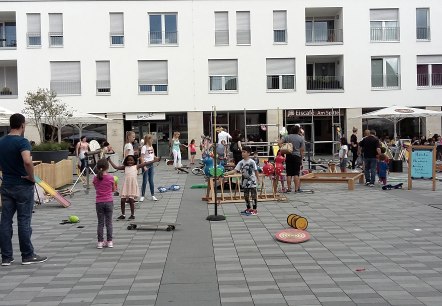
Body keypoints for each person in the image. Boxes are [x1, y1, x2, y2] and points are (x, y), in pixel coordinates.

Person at [0, 113, 47, 266]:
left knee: (5, 221)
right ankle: (27, 255)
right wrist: (31, 177)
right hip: (22, 185)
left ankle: (6, 257)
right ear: (22, 125)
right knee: (24, 220)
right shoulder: (22, 142)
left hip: (7, 185)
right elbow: (27, 161)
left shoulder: (1, 141)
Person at [108, 155, 160, 220]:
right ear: (126, 161)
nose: (130, 161)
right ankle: (123, 214)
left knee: (131, 200)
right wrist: (109, 160)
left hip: (132, 185)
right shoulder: (125, 167)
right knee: (122, 200)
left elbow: (146, 163)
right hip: (126, 185)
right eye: (128, 160)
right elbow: (116, 167)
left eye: (131, 160)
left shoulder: (136, 166)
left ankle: (132, 214)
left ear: (134, 161)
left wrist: (154, 160)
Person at [224, 146, 259, 215]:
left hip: (252, 181)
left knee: (253, 195)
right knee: (246, 195)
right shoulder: (241, 162)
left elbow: (256, 170)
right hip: (244, 181)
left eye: (244, 152)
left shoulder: (252, 162)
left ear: (248, 153)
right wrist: (227, 173)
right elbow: (235, 170)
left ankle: (254, 209)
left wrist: (258, 179)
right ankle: (248, 208)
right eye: (242, 152)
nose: (242, 153)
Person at [93, 158, 115, 249]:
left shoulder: (95, 178)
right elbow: (113, 189)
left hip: (99, 202)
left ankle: (100, 242)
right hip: (109, 201)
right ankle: (109, 242)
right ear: (108, 167)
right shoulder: (111, 177)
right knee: (109, 223)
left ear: (98, 167)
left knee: (100, 223)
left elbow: (96, 188)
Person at [279, 125, 305, 193]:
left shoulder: (287, 137)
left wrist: (284, 148)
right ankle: (296, 189)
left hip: (289, 156)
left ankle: (289, 188)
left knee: (289, 173)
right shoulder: (301, 138)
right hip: (297, 157)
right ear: (298, 131)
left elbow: (279, 143)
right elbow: (302, 150)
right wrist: (301, 158)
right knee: (296, 173)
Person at [140, 134, 158, 202]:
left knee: (151, 180)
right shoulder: (144, 147)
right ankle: (142, 195)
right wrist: (143, 166)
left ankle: (153, 195)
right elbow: (142, 157)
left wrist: (156, 158)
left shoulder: (151, 146)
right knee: (144, 181)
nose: (152, 140)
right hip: (145, 164)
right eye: (151, 139)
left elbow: (153, 155)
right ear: (148, 139)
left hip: (151, 164)